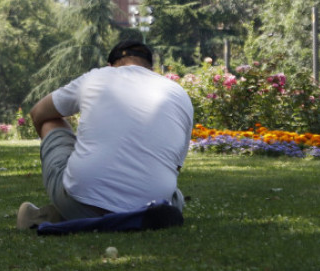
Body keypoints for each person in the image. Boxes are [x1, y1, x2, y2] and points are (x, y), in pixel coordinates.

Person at [17, 39, 194, 229]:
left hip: (80, 203)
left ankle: (64, 212)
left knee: (50, 121)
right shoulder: (179, 93)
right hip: (150, 210)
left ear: (110, 66)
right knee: (175, 196)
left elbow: (38, 112)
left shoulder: (97, 77)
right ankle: (118, 214)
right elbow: (175, 167)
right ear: (151, 69)